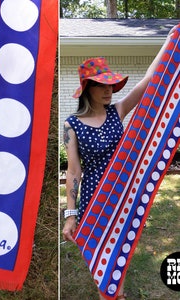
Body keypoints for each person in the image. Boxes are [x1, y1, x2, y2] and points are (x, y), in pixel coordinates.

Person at [62, 26, 176, 300]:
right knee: (102, 254)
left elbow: (149, 79)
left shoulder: (119, 111)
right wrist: (71, 214)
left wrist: (170, 40)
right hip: (95, 198)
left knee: (120, 250)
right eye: (102, 85)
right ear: (88, 89)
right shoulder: (72, 125)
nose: (109, 90)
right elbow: (74, 172)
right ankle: (113, 293)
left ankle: (116, 292)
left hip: (123, 193)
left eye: (110, 85)